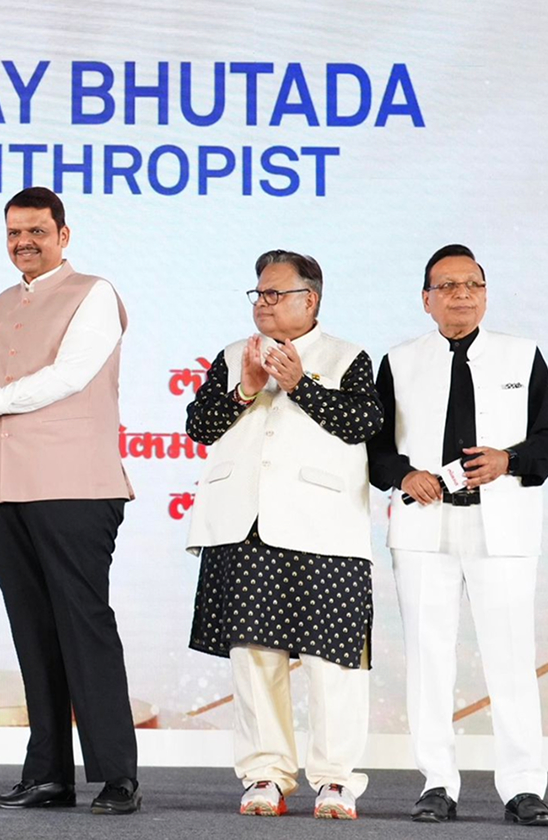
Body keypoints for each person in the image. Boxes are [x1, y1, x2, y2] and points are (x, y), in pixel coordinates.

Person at [0, 186, 140, 815]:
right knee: (33, 633)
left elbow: (67, 377)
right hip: (1, 486)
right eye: (14, 233)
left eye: (37, 231)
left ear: (64, 235)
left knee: (84, 626)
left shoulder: (94, 292)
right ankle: (49, 776)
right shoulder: (1, 301)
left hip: (73, 485)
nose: (24, 243)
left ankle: (117, 776)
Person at [368, 244, 548, 827]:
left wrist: (509, 460)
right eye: (448, 286)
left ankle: (524, 787)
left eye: (473, 285)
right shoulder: (399, 360)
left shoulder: (522, 354)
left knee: (511, 658)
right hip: (423, 524)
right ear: (426, 298)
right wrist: (404, 475)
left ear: (485, 292)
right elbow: (376, 447)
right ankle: (436, 783)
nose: (462, 295)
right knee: (429, 659)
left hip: (500, 524)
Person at [185, 250, 381, 820]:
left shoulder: (348, 357)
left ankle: (336, 779)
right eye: (258, 295)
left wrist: (302, 385)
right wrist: (245, 388)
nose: (263, 304)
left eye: (274, 294)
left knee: (333, 663)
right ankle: (265, 773)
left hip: (326, 528)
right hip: (243, 524)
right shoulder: (231, 356)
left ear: (309, 299)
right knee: (254, 656)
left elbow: (363, 424)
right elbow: (200, 426)